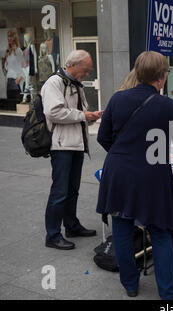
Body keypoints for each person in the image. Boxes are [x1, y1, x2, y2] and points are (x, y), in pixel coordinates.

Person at [96, 51, 173, 300]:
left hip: (118, 172)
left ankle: (130, 286)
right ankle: (167, 291)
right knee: (161, 230)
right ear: (162, 77)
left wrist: (125, 155)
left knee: (121, 227)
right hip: (151, 175)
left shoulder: (117, 98)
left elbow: (102, 137)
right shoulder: (167, 105)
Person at [42, 50, 103, 250]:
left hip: (76, 144)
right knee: (60, 191)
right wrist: (84, 115)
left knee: (73, 190)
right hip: (61, 146)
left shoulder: (75, 84)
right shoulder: (54, 83)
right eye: (85, 70)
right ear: (73, 65)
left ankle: (71, 226)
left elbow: (78, 110)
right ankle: (52, 235)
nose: (86, 74)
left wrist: (90, 115)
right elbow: (54, 112)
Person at [4, 30, 24, 100]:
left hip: (15, 80)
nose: (9, 38)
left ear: (14, 37)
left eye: (10, 36)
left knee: (16, 104)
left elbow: (23, 66)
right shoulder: (8, 52)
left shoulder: (18, 51)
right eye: (8, 36)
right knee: (10, 105)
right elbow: (6, 68)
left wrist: (19, 79)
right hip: (8, 80)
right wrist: (6, 58)